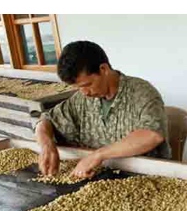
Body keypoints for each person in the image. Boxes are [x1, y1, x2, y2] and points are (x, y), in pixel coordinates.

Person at [35, 41, 171, 178]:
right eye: (78, 88)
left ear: (103, 69)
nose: (84, 93)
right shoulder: (81, 100)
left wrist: (99, 155)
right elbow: (46, 120)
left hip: (144, 177)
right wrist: (47, 146)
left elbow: (152, 135)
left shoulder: (142, 93)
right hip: (99, 176)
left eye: (87, 84)